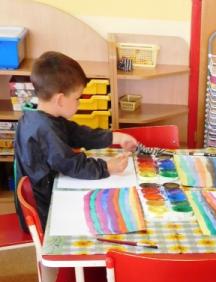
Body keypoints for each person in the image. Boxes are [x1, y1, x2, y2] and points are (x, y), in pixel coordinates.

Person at [14, 51, 137, 230]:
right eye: (77, 98)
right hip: (44, 214)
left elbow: (76, 133)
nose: (79, 103)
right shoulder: (44, 129)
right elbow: (71, 164)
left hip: (47, 195)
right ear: (60, 99)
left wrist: (114, 137)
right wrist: (107, 167)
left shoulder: (39, 114)